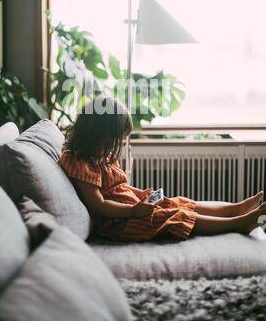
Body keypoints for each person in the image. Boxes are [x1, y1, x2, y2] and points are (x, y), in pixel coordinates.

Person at [59, 96, 265, 242]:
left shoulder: (100, 157)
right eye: (115, 140)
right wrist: (133, 210)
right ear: (97, 134)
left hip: (132, 210)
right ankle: (237, 223)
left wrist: (140, 194)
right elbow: (100, 205)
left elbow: (118, 188)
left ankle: (233, 210)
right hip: (119, 223)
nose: (118, 145)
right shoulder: (81, 163)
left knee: (178, 203)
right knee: (175, 215)